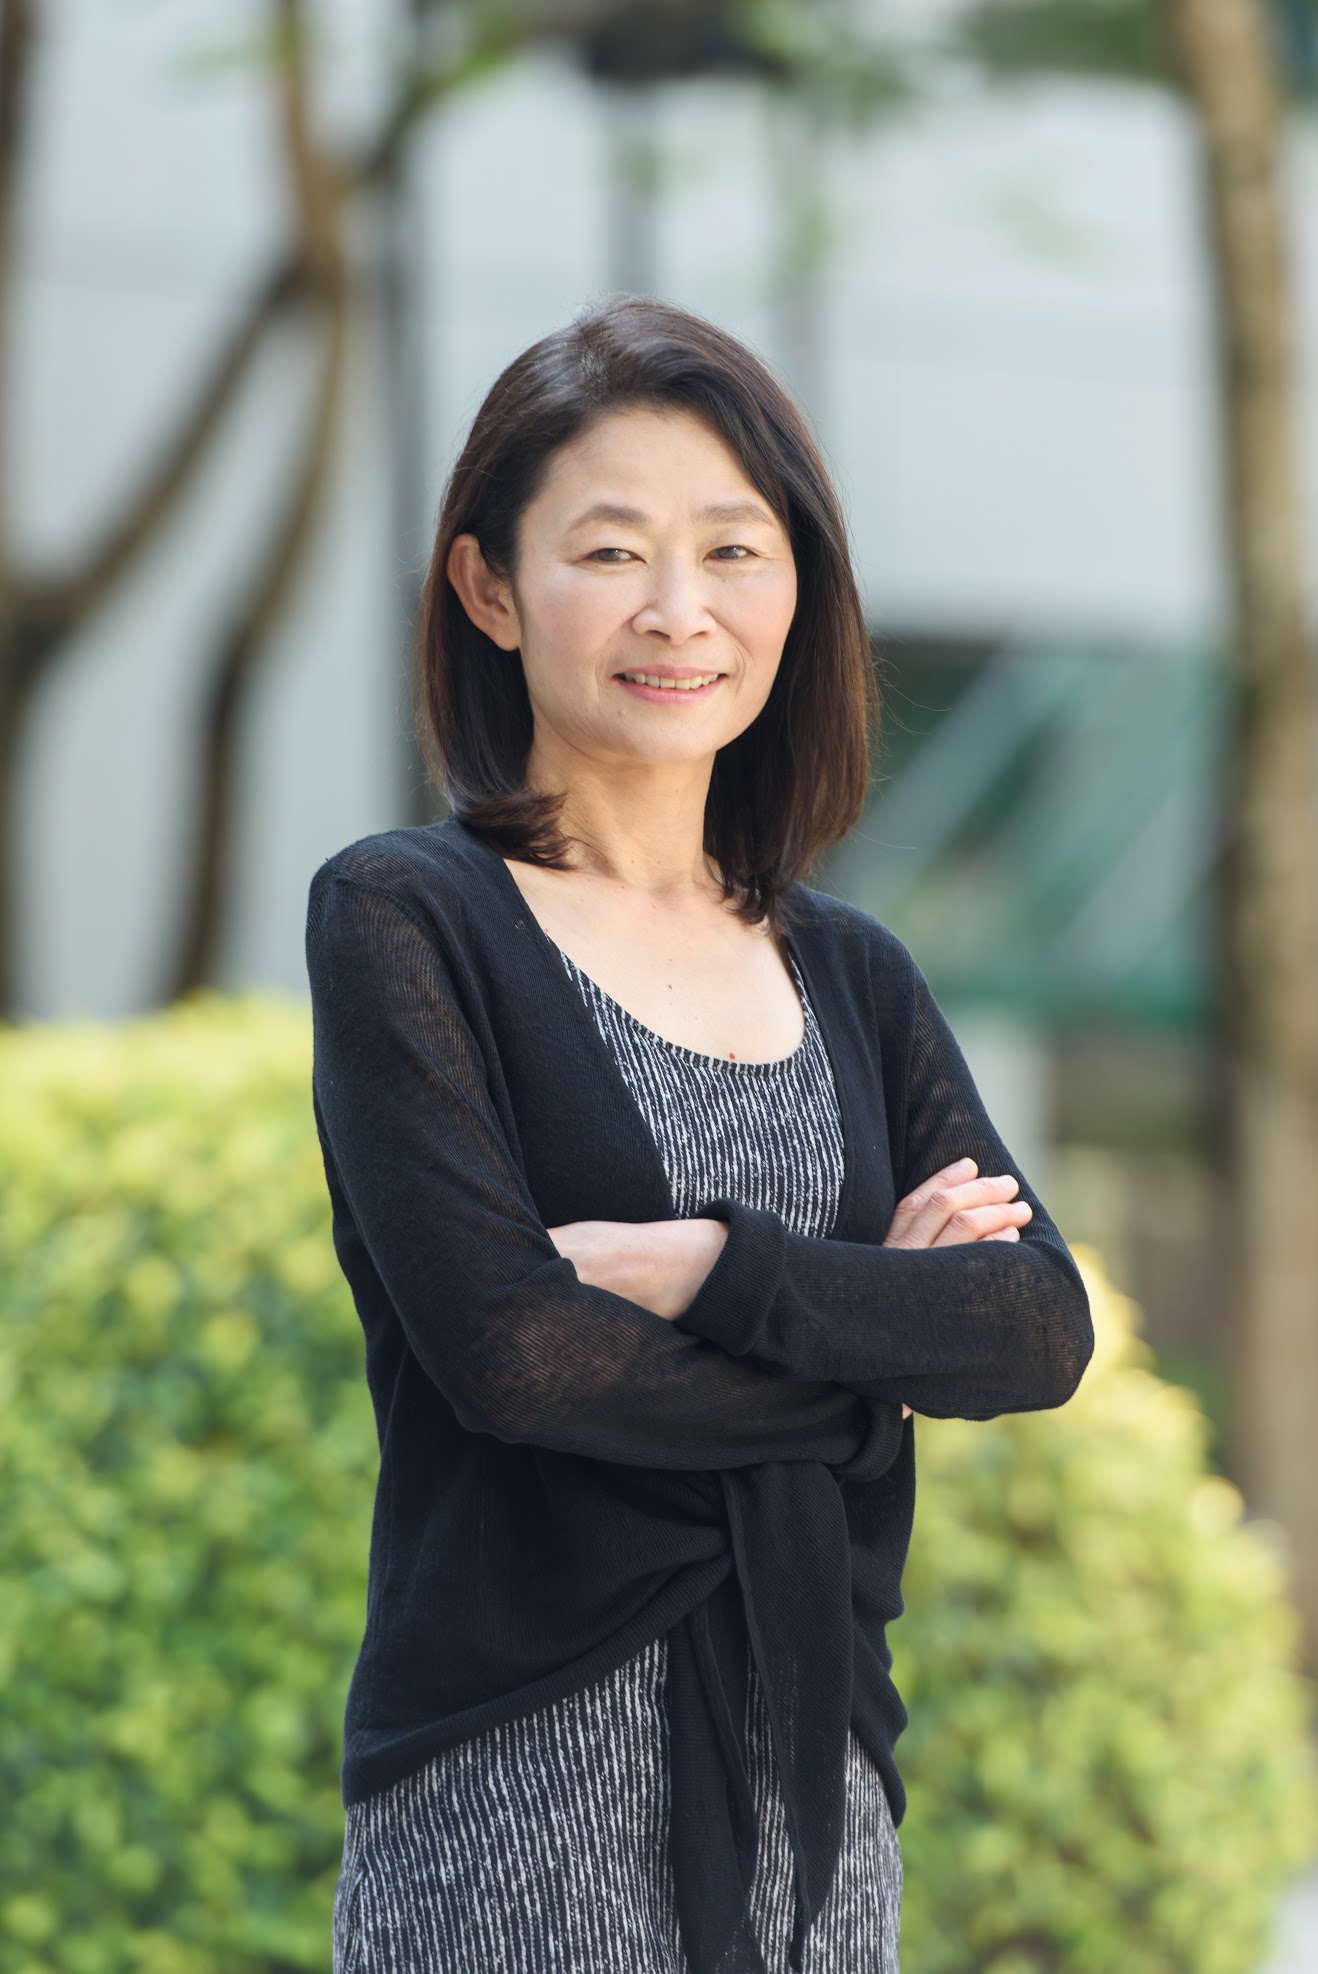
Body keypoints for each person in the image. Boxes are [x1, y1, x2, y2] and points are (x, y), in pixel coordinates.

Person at [306, 296, 1093, 1974]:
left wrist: (710, 1273)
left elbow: (1035, 1324)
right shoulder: (410, 918)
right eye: (611, 550)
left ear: (797, 589)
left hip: (818, 1772)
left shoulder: (851, 971)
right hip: (513, 1794)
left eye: (734, 549)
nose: (681, 611)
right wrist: (872, 1353)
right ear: (489, 588)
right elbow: (513, 1356)